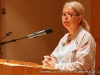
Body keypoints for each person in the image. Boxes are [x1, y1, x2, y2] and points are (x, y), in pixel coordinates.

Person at [42, 1, 96, 74]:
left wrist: (57, 66)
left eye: (69, 14)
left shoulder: (85, 37)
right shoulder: (65, 38)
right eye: (64, 14)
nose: (65, 17)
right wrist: (49, 61)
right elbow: (54, 57)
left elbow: (82, 66)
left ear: (79, 18)